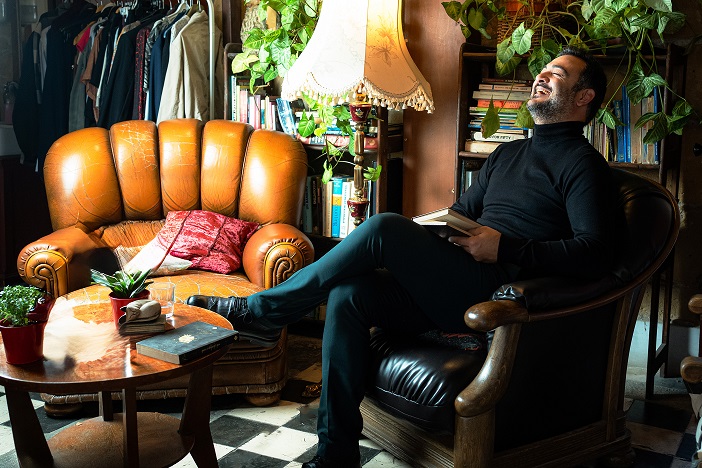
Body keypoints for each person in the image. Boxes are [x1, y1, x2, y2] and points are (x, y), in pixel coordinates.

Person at [187, 46, 612, 468]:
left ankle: (262, 312)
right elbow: (463, 213)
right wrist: (437, 231)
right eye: (543, 69)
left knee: (384, 227)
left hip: (493, 294)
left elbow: (594, 254)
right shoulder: (507, 154)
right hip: (456, 278)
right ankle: (335, 453)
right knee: (350, 295)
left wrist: (504, 247)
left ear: (584, 96)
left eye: (557, 73)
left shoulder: (583, 165)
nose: (541, 76)